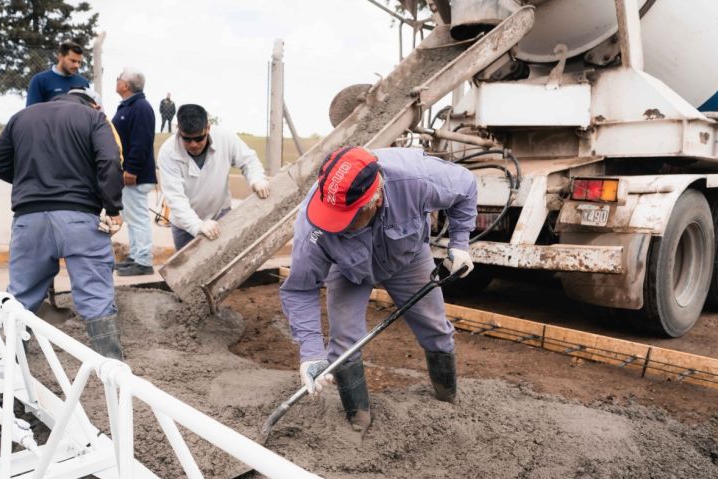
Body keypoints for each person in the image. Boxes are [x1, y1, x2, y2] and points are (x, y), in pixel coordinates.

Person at [279, 146, 477, 434]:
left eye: (346, 217)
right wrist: (310, 354)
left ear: (375, 198)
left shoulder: (414, 179)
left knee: (436, 328)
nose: (337, 225)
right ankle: (358, 422)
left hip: (407, 256)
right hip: (347, 270)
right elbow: (300, 288)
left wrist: (460, 243)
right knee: (344, 345)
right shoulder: (314, 225)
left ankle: (447, 400)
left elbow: (466, 186)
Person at [0, 87, 125, 360]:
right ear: (95, 105)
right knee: (97, 299)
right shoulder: (93, 118)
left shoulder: (21, 117)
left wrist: (33, 181)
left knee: (20, 300)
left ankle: (13, 375)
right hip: (80, 218)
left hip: (28, 220)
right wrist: (113, 208)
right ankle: (114, 374)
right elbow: (109, 160)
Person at [158, 104, 271, 250]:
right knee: (190, 271)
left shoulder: (225, 138)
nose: (193, 144)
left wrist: (257, 179)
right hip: (185, 226)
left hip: (221, 215)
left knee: (228, 265)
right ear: (178, 129)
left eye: (199, 138)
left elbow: (248, 160)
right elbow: (175, 198)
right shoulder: (168, 153)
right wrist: (197, 225)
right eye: (187, 139)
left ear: (208, 128)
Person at [112, 67, 157, 276]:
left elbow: (142, 142)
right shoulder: (128, 106)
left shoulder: (141, 107)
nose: (117, 81)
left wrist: (132, 169)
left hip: (135, 176)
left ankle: (143, 261)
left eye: (119, 78)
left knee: (138, 218)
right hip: (129, 175)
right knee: (132, 217)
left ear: (126, 85)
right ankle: (136, 256)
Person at [26, 40, 90, 106]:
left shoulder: (84, 83)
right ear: (60, 57)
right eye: (73, 61)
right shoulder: (40, 80)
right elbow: (31, 112)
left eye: (79, 62)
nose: (77, 65)